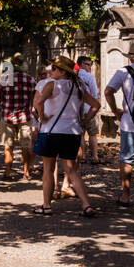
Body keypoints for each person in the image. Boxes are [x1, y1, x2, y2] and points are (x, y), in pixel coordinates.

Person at [31, 56, 99, 217]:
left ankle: (47, 206)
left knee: (48, 169)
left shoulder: (51, 84)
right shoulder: (79, 87)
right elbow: (96, 105)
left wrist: (43, 117)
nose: (51, 71)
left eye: (54, 68)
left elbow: (38, 103)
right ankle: (86, 205)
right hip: (72, 132)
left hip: (51, 132)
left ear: (63, 72)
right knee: (72, 170)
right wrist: (84, 121)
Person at [104, 45, 134, 208]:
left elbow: (108, 91)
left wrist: (115, 110)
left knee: (127, 159)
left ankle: (126, 196)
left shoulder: (124, 72)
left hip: (130, 121)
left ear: (130, 57)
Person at [0, 52, 36, 181]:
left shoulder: (4, 79)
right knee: (25, 145)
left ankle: (8, 172)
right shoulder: (31, 80)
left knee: (8, 146)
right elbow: (36, 98)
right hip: (25, 117)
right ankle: (26, 172)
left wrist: (4, 103)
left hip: (7, 117)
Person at [76, 55, 101, 164]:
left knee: (81, 133)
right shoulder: (89, 77)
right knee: (92, 134)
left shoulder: (73, 76)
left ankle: (83, 156)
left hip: (76, 110)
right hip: (89, 109)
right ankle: (95, 157)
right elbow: (95, 94)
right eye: (88, 65)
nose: (90, 67)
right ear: (82, 64)